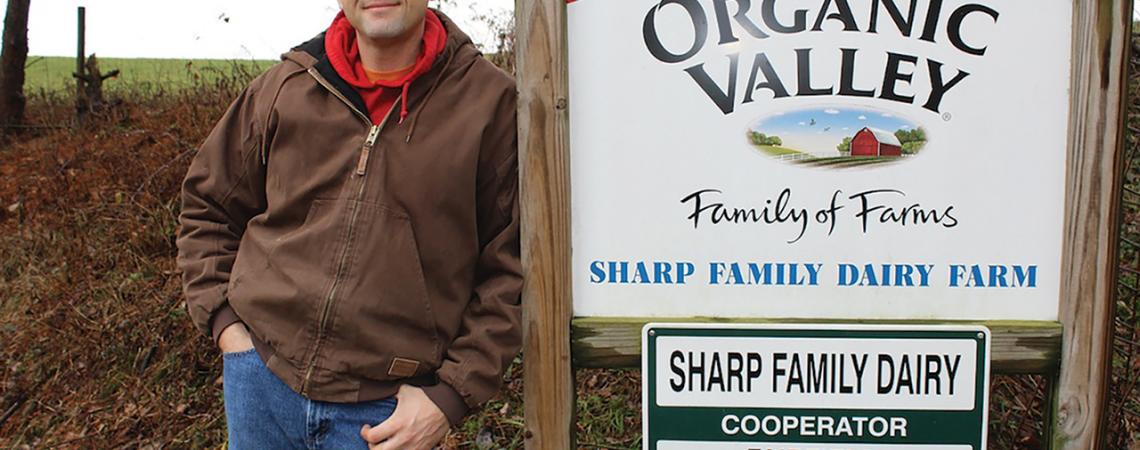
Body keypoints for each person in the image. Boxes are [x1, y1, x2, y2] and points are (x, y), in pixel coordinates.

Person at [174, 0, 522, 448]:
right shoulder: (288, 85)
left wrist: (450, 396)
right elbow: (208, 204)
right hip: (261, 381)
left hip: (389, 414)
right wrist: (227, 327)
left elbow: (512, 268)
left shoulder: (489, 105)